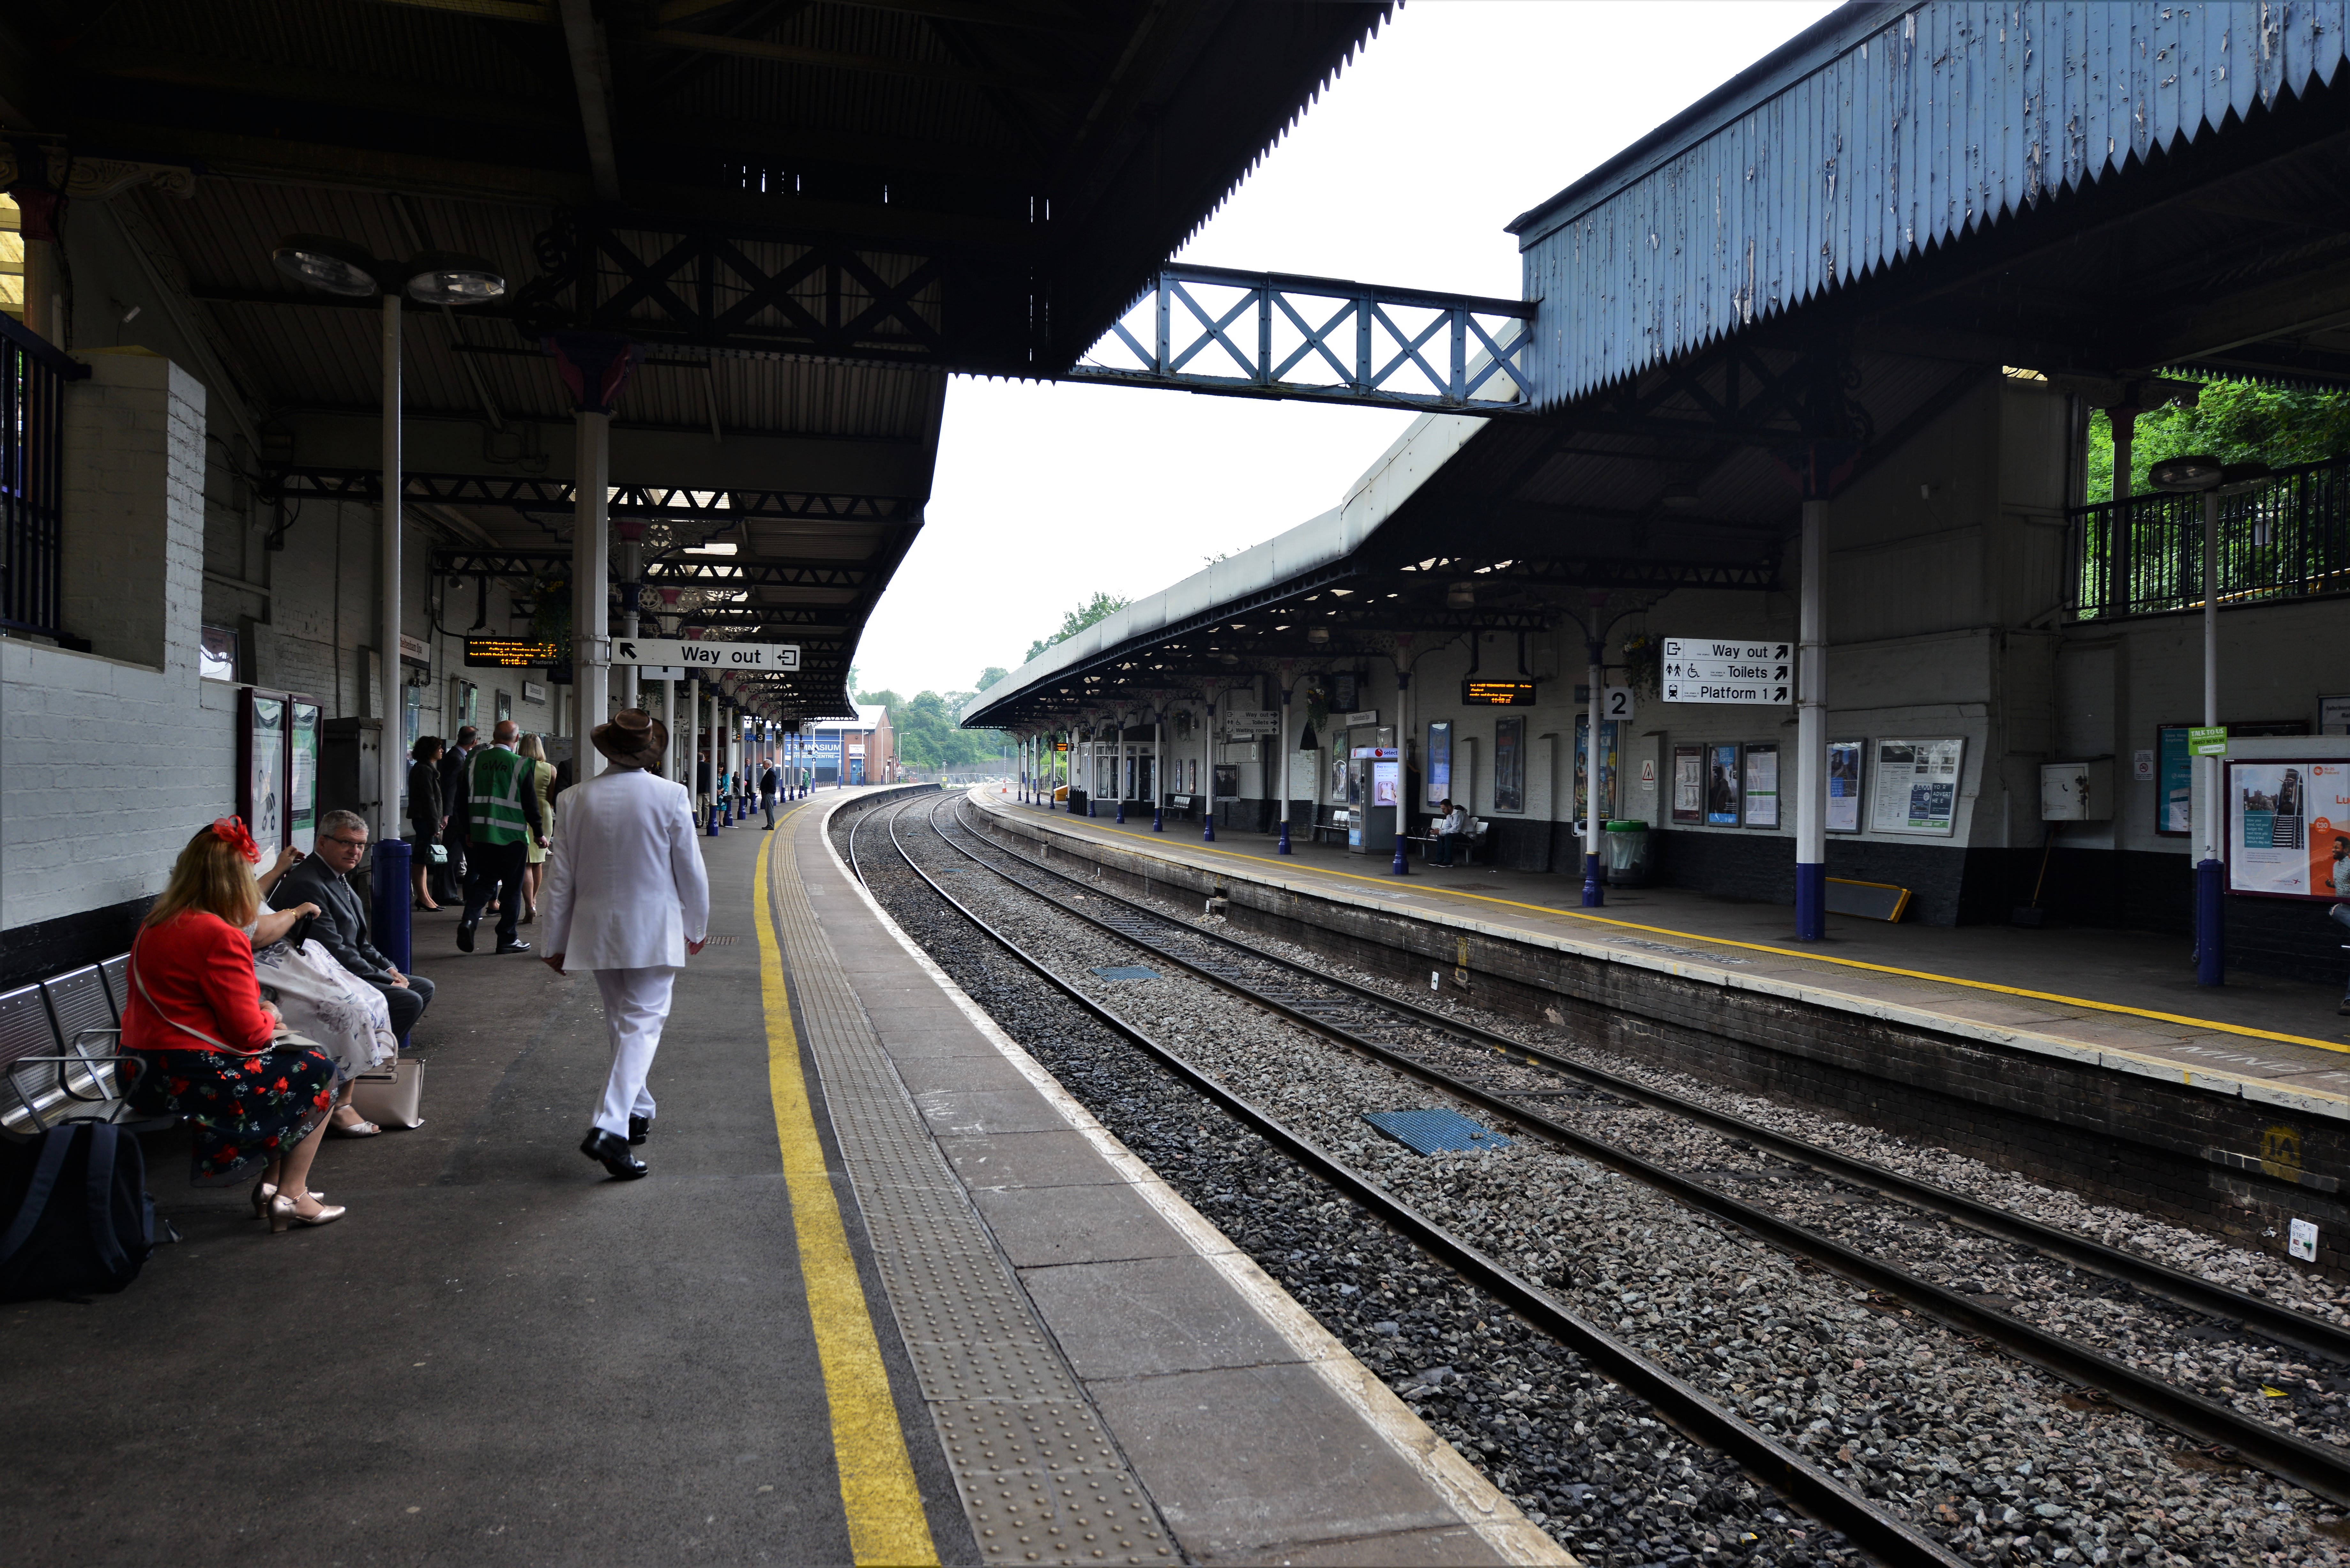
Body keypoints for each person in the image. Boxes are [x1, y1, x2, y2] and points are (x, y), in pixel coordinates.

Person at [121, 818, 344, 1229]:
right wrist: (271, 1013)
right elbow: (251, 1032)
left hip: (138, 1068)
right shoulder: (220, 934)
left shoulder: (156, 922)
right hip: (184, 1073)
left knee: (297, 1065)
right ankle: (291, 1194)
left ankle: (270, 1189)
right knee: (320, 1070)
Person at [540, 708, 710, 1180]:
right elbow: (690, 872)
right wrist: (696, 927)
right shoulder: (671, 796)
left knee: (622, 1021)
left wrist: (554, 942)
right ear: (649, 753)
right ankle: (609, 1128)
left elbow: (561, 880)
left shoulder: (574, 798)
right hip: (654, 928)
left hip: (595, 929)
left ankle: (638, 1109)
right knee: (642, 1023)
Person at [272, 808, 436, 1043]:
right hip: (322, 977)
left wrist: (389, 970)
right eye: (347, 843)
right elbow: (334, 951)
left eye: (361, 845)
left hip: (344, 968)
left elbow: (359, 942)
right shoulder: (308, 885)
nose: (356, 852)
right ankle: (366, 1060)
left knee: (422, 987)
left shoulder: (337, 875)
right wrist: (385, 979)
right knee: (407, 999)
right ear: (322, 843)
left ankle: (371, 1054)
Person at [447, 719, 545, 955]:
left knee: (486, 881)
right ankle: (507, 939)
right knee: (512, 888)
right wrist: (540, 833)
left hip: (481, 834)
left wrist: (468, 830)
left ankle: (469, 920)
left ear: (493, 736)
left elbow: (461, 800)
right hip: (512, 837)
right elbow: (531, 804)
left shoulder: (472, 761)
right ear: (517, 739)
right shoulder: (521, 764)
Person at [516, 731, 558, 924]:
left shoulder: (516, 766)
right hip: (544, 812)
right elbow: (552, 798)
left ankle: (529, 905)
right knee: (539, 862)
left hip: (521, 812)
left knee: (525, 862)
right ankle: (534, 900)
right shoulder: (551, 769)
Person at [436, 725, 478, 902]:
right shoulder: (457, 759)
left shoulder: (455, 755)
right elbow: (451, 789)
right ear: (474, 742)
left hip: (454, 814)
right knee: (451, 855)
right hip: (455, 816)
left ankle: (447, 892)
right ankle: (447, 894)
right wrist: (447, 814)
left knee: (452, 854)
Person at [408, 736, 445, 911]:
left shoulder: (425, 769)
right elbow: (428, 799)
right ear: (430, 751)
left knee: (422, 858)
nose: (442, 751)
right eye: (439, 748)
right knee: (421, 858)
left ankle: (426, 897)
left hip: (426, 819)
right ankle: (423, 897)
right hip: (425, 820)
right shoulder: (424, 770)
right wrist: (434, 823)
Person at [1430, 798, 1467, 867]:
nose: (1442, 811)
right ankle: (1439, 859)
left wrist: (1441, 832)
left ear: (1449, 807)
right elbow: (1447, 827)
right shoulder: (1449, 815)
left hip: (1467, 835)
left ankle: (1448, 861)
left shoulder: (1458, 813)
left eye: (1444, 809)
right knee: (1441, 836)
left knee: (1448, 836)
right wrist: (1439, 831)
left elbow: (1456, 829)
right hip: (1459, 834)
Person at [760, 756, 779, 829]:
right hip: (769, 793)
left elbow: (772, 784)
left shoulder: (770, 772)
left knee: (769, 810)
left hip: (769, 794)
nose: (763, 766)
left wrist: (767, 792)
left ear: (768, 765)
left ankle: (771, 825)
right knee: (769, 810)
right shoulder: (771, 772)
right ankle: (770, 824)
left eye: (764, 764)